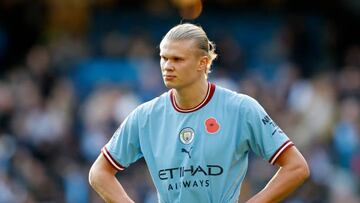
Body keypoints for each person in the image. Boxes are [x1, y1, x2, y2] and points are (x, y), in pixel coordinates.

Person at [89, 23, 310, 203]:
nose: (167, 66)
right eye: (164, 58)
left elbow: (296, 167)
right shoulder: (145, 116)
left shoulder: (241, 109)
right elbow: (99, 172)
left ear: (202, 63)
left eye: (177, 59)